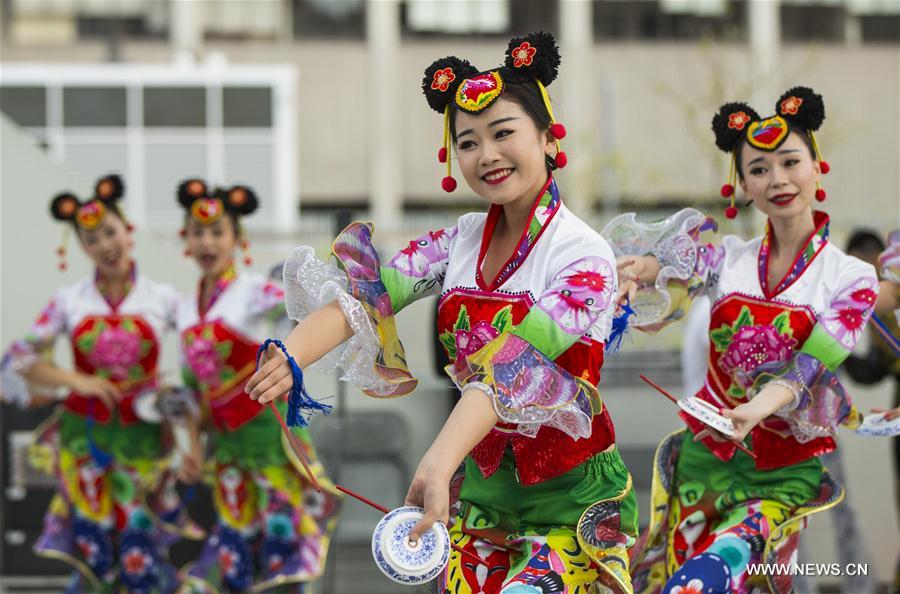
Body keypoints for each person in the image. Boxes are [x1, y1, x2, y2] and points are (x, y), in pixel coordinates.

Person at [248, 31, 640, 593]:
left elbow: (513, 367)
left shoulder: (582, 255)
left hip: (570, 503)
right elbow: (369, 293)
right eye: (469, 142)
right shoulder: (459, 240)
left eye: (503, 133)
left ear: (551, 140)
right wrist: (293, 353)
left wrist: (436, 462)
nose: (487, 155)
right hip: (480, 501)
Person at [607, 88, 879, 594]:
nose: (776, 179)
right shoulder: (727, 259)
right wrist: (638, 271)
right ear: (742, 187)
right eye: (758, 169)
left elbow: (811, 366)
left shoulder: (851, 279)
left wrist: (758, 406)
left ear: (817, 167)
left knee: (701, 583)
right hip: (703, 464)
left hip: (780, 475)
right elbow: (673, 276)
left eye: (790, 162)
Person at [0, 175, 188, 593]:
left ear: (128, 232)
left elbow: (204, 345)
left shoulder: (163, 299)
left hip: (144, 441)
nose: (105, 245)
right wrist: (75, 380)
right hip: (85, 443)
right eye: (91, 238)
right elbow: (19, 357)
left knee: (142, 547)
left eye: (110, 232)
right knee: (94, 552)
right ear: (81, 248)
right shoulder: (69, 300)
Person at [173, 179, 340, 593]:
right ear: (186, 240)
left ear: (236, 238)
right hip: (227, 458)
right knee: (228, 570)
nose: (207, 242)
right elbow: (194, 393)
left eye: (217, 232)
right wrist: (192, 445)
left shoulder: (254, 293)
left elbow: (311, 307)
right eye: (198, 233)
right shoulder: (183, 310)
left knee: (279, 571)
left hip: (272, 453)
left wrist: (288, 344)